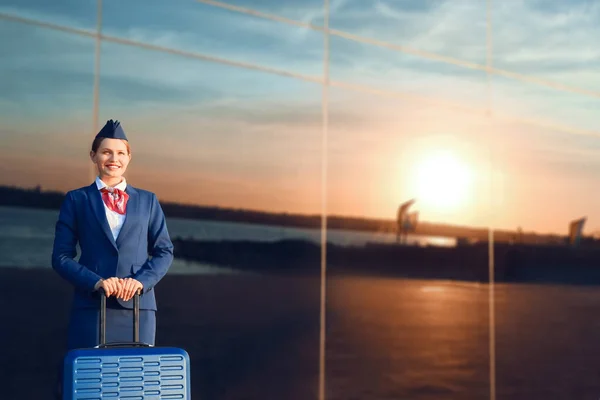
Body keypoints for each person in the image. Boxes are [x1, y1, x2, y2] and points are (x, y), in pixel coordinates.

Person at [51, 119, 174, 352]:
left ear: (129, 157)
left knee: (134, 381)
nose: (113, 159)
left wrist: (140, 282)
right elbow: (61, 257)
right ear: (93, 156)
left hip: (139, 309)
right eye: (106, 152)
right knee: (90, 380)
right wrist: (96, 282)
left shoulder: (148, 201)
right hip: (92, 307)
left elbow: (164, 251)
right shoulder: (77, 200)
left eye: (120, 153)